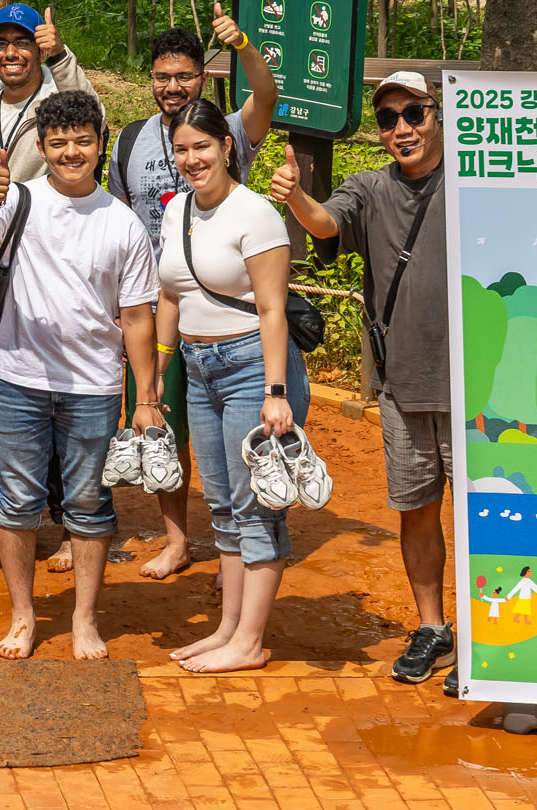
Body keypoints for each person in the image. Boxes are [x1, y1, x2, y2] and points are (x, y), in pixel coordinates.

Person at [0, 90, 159, 659]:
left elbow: (136, 316)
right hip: (15, 378)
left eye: (82, 141)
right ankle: (23, 615)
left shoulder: (123, 223)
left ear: (100, 144)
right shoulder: (18, 200)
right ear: (43, 148)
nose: (71, 152)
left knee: (89, 503)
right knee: (17, 499)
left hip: (94, 386)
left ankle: (84, 618)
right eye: (58, 142)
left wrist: (145, 397)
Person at [272, 70, 450, 687]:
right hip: (403, 384)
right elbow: (326, 223)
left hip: (479, 388)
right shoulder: (370, 188)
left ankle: (492, 638)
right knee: (417, 510)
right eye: (388, 118)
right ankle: (433, 628)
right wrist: (296, 197)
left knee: (486, 513)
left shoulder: (478, 183)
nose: (402, 128)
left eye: (415, 113)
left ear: (438, 116)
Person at [109, 12, 277, 581]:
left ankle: (243, 540)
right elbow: (120, 219)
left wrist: (244, 45)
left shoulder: (223, 129)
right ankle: (177, 538)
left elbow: (266, 97)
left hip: (221, 310)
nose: (172, 86)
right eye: (162, 76)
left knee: (226, 431)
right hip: (154, 305)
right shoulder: (129, 140)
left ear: (203, 77)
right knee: (162, 423)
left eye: (184, 76)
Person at [158, 98, 309, 674]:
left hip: (251, 366)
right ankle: (227, 628)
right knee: (221, 503)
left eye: (202, 146)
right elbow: (171, 295)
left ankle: (249, 641)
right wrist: (159, 372)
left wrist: (276, 392)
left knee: (257, 504)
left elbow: (272, 309)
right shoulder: (177, 210)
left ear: (225, 146)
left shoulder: (256, 213)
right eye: (181, 149)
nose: (192, 159)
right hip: (198, 367)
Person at [0, 3, 97, 184]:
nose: (10, 53)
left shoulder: (60, 106)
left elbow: (93, 119)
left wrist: (60, 55)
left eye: (22, 43)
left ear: (42, 52)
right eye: (1, 44)